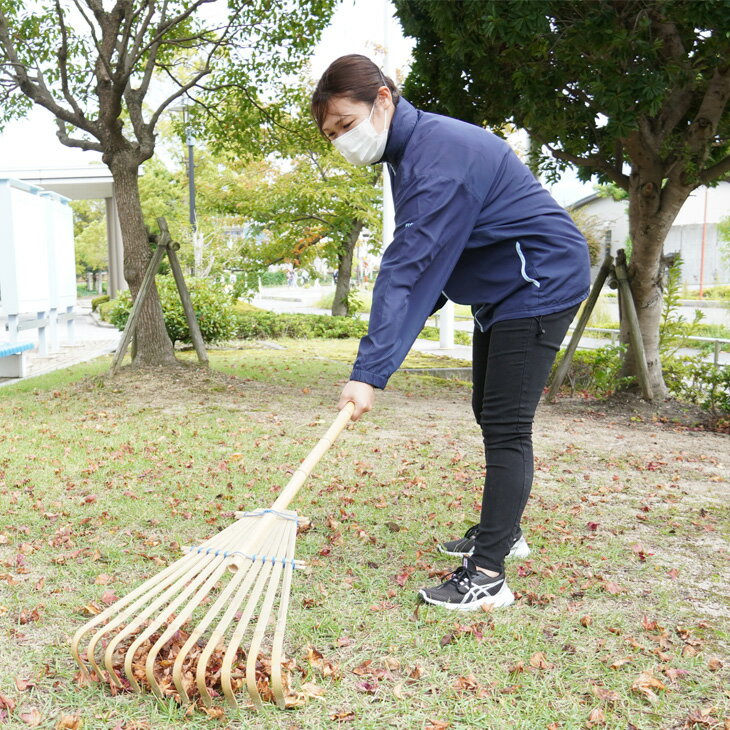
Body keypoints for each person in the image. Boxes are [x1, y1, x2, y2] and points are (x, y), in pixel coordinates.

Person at [311, 55, 591, 612]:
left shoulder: (441, 153)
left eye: (347, 124)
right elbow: (433, 265)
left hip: (538, 279)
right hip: (503, 287)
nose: (344, 140)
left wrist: (369, 373)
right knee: (489, 410)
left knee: (507, 425)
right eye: (333, 134)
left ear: (383, 99)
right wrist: (388, 349)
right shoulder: (410, 153)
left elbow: (411, 266)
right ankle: (502, 530)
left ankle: (488, 574)